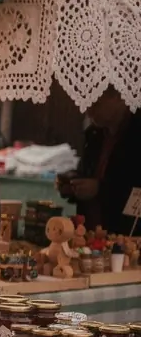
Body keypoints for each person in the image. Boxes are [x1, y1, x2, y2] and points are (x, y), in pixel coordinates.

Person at [57, 87, 141, 233]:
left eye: (96, 104)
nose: (89, 111)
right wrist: (73, 185)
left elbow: (135, 187)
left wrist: (99, 189)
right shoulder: (94, 135)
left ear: (118, 97)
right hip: (90, 231)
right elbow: (88, 175)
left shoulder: (136, 133)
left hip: (126, 233)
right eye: (86, 104)